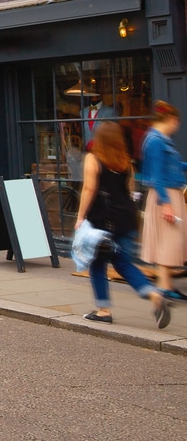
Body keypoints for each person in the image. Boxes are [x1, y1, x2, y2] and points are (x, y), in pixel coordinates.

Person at [76, 121, 170, 327]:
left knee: (97, 264)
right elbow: (130, 190)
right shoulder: (125, 161)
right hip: (126, 218)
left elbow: (89, 189)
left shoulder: (93, 158)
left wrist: (80, 216)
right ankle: (153, 294)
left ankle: (103, 310)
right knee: (123, 263)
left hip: (103, 219)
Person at [140, 100, 187, 303]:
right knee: (168, 241)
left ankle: (165, 286)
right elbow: (157, 175)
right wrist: (166, 204)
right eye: (176, 122)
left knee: (168, 241)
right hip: (165, 195)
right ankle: (163, 288)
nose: (177, 126)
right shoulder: (156, 141)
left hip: (168, 193)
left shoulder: (159, 139)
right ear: (170, 119)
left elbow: (172, 165)